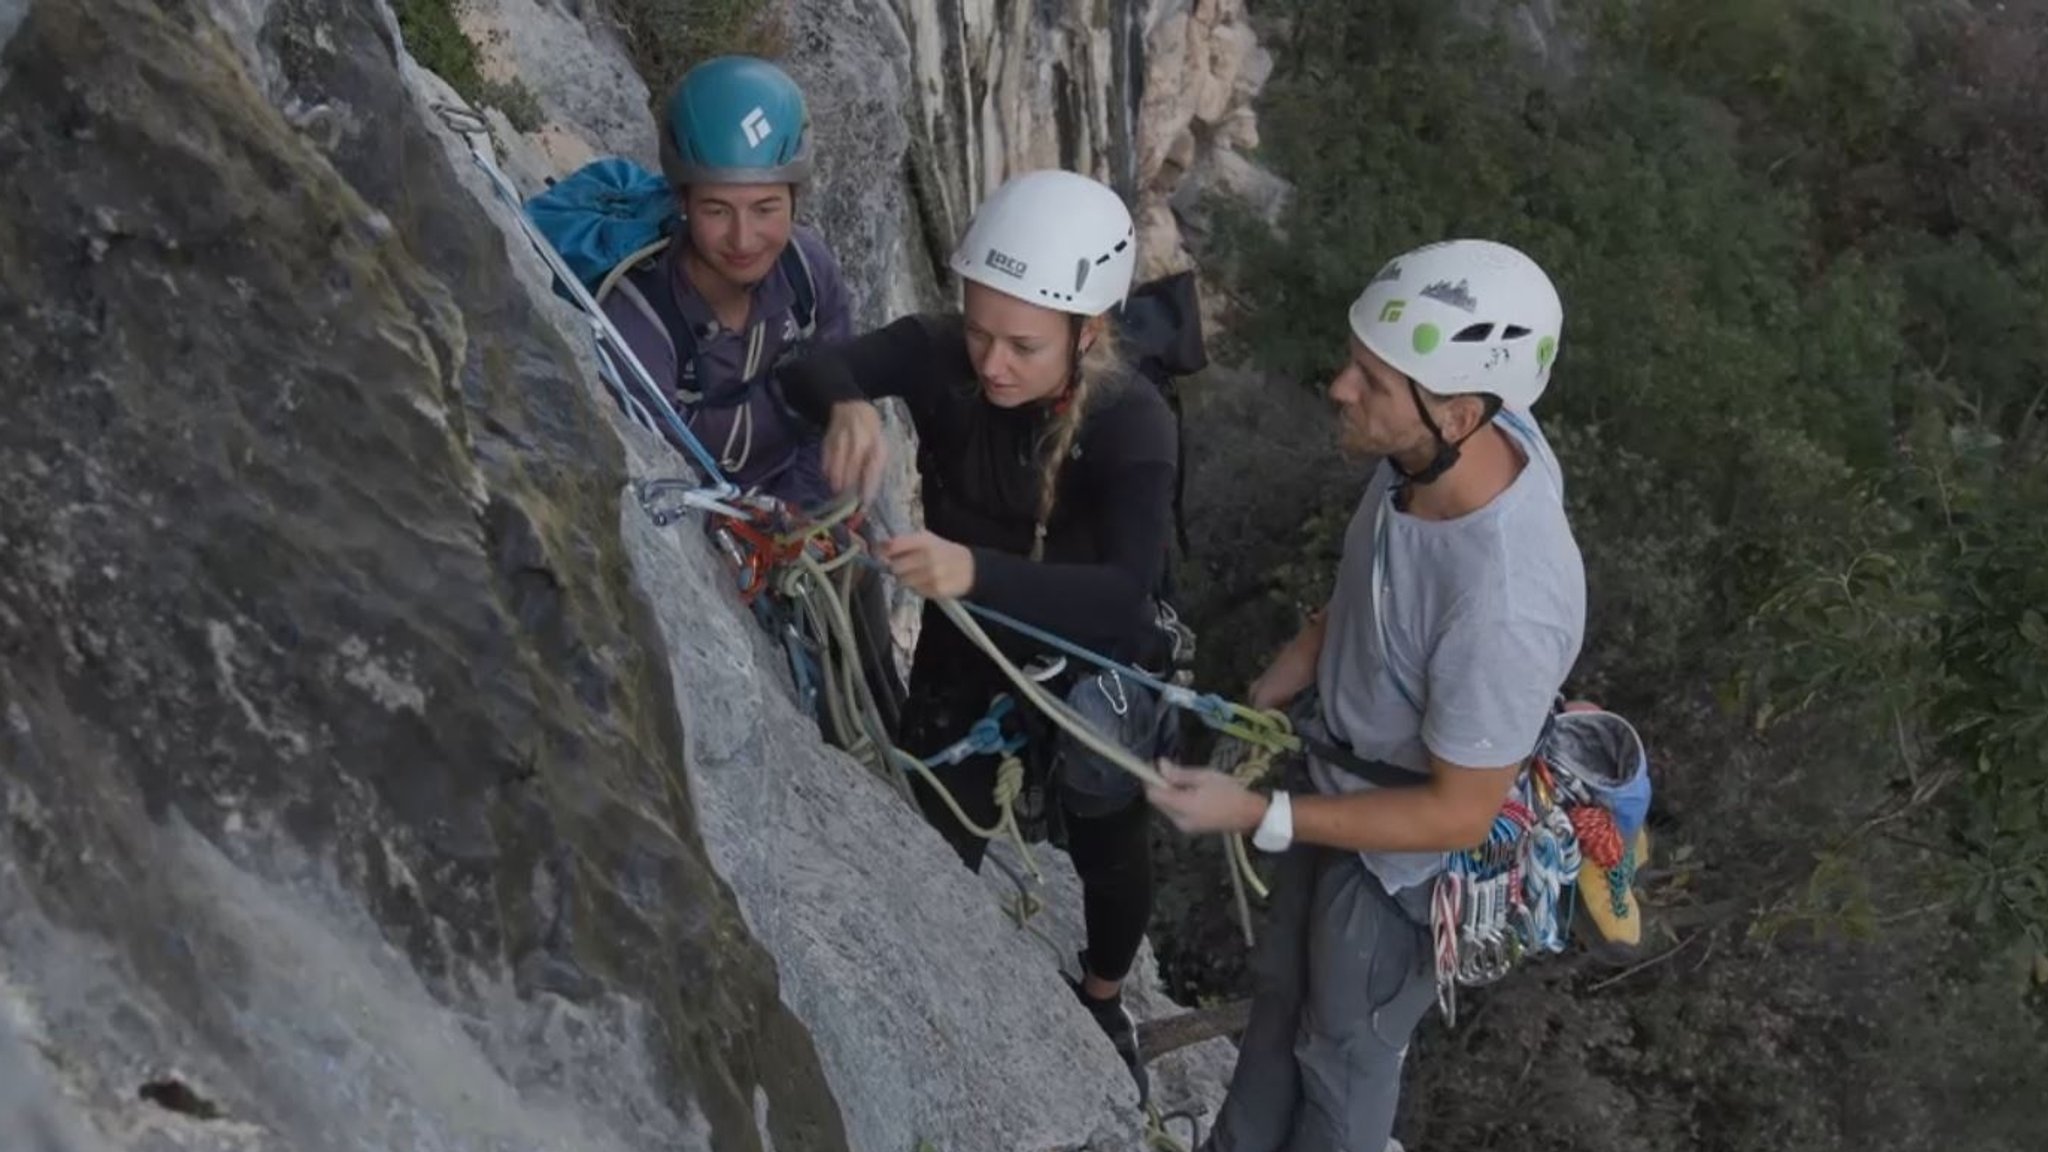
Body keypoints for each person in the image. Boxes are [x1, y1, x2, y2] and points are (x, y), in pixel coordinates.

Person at [1144, 239, 1587, 1152]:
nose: (1342, 388)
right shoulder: (1436, 456)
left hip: (1397, 874)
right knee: (1277, 1014)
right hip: (1335, 780)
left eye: (1371, 380)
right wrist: (1296, 663)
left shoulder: (1507, 601)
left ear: (1458, 411)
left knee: (1342, 1064)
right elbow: (1382, 576)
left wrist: (1264, 813)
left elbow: (1458, 814)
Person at [776, 168, 1178, 1102]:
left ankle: (1104, 995)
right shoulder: (939, 356)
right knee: (937, 830)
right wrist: (849, 403)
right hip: (967, 641)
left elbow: (1124, 598)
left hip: (1092, 656)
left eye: (1023, 345)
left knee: (1108, 841)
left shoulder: (1131, 425)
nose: (993, 362)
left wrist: (973, 572)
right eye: (980, 331)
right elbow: (813, 367)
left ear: (1089, 334)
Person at [600, 54, 903, 732]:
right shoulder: (640, 322)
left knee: (862, 623)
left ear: (795, 199)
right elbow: (661, 480)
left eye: (766, 208)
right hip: (712, 542)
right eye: (716, 209)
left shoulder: (805, 271)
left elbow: (825, 411)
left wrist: (804, 513)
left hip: (804, 524)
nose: (743, 238)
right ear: (682, 202)